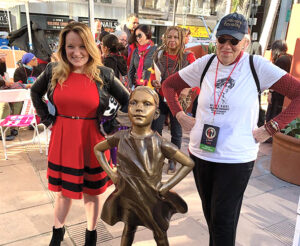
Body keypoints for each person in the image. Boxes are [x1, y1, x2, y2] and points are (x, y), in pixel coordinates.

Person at [161, 12, 300, 246]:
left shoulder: (257, 66)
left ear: (244, 42)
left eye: (233, 41)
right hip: (202, 153)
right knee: (212, 218)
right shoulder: (205, 63)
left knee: (223, 221)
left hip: (236, 158)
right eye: (222, 39)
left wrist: (272, 127)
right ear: (216, 40)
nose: (227, 46)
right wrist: (179, 114)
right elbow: (169, 85)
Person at [30, 22, 130, 246]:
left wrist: (110, 124)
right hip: (63, 138)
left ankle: (91, 236)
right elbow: (35, 92)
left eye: (82, 46)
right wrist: (47, 120)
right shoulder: (53, 71)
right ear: (63, 48)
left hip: (92, 139)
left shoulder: (104, 74)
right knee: (63, 193)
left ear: (91, 47)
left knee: (92, 193)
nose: (76, 52)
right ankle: (57, 234)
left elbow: (127, 101)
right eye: (70, 47)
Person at [94, 86, 194, 246]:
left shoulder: (160, 143)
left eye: (147, 104)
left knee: (159, 233)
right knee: (128, 229)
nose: (139, 108)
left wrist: (166, 186)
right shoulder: (120, 137)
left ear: (156, 113)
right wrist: (112, 174)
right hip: (128, 195)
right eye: (134, 103)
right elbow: (98, 149)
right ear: (128, 109)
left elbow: (188, 163)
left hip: (151, 199)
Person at [151, 26, 196, 174]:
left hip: (177, 100)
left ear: (181, 39)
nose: (172, 40)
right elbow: (154, 74)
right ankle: (158, 158)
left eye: (176, 37)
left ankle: (173, 160)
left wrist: (187, 89)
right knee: (156, 130)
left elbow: (197, 78)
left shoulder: (188, 56)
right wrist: (155, 82)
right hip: (160, 97)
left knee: (176, 133)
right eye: (169, 37)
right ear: (165, 38)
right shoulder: (159, 55)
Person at [266, 40, 292, 123]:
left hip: (277, 93)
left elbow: (275, 78)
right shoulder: (289, 58)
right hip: (284, 93)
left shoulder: (281, 60)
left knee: (272, 115)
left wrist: (270, 92)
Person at [0, 53, 22, 141]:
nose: (2, 56)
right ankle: (4, 132)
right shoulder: (20, 70)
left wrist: (2, 62)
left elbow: (3, 73)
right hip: (2, 91)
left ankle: (13, 127)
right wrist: (4, 83)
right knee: (5, 105)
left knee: (18, 100)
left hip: (3, 90)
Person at [128, 24, 156, 89]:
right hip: (137, 87)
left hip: (150, 88)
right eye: (136, 36)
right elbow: (131, 70)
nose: (138, 38)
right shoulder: (136, 51)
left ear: (147, 34)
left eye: (139, 35)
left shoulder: (155, 50)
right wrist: (131, 86)